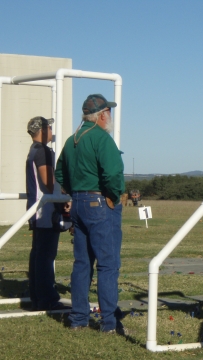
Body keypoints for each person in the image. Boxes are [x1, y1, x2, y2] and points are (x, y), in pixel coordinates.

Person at [55, 94, 125, 333]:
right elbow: (114, 174)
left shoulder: (70, 140)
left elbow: (60, 173)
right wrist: (113, 196)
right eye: (109, 112)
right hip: (99, 202)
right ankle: (108, 323)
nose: (110, 117)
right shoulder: (101, 138)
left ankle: (78, 319)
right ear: (102, 115)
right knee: (107, 264)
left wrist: (73, 191)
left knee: (82, 263)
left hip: (77, 202)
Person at [26, 116, 68, 311]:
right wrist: (64, 195)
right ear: (42, 130)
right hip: (45, 210)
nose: (52, 131)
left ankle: (37, 296)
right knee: (45, 255)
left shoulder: (34, 150)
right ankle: (47, 298)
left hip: (38, 209)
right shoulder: (42, 151)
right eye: (49, 127)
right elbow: (48, 182)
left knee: (39, 254)